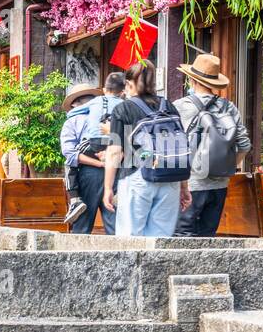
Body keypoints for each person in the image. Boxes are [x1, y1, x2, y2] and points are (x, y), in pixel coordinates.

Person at [103, 60, 192, 237]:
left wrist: (107, 188)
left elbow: (115, 151)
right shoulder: (168, 106)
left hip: (137, 177)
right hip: (170, 179)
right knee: (160, 241)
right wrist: (184, 187)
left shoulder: (123, 109)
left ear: (128, 84)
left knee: (130, 239)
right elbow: (178, 147)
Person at [172, 54, 250, 237]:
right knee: (208, 238)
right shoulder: (228, 107)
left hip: (190, 183)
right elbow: (245, 145)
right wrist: (226, 166)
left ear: (192, 80)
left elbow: (171, 146)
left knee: (181, 237)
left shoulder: (180, 106)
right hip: (220, 184)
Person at [60, 74, 124, 233]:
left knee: (82, 227)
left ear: (75, 104)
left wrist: (99, 163)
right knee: (115, 226)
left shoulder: (72, 121)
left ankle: (74, 200)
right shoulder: (113, 114)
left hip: (88, 174)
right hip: (116, 170)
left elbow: (70, 154)